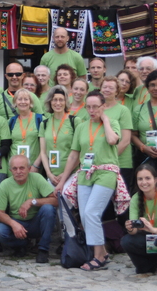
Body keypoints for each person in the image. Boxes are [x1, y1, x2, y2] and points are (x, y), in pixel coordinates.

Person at [56, 91, 122, 271]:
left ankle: (98, 256)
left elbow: (112, 139)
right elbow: (74, 155)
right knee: (85, 215)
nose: (92, 110)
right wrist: (63, 180)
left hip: (106, 172)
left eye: (96, 107)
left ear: (103, 106)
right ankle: (102, 253)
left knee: (92, 211)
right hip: (85, 173)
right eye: (89, 107)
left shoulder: (112, 123)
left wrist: (106, 121)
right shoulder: (82, 127)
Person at [0, 155, 57, 262]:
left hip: (35, 222)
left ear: (29, 169)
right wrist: (13, 224)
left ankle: (43, 249)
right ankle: (22, 244)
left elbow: (55, 201)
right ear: (10, 170)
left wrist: (33, 201)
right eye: (15, 168)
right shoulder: (5, 184)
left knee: (48, 209)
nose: (18, 171)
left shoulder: (37, 178)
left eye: (22, 168)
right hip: (17, 222)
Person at [39, 86, 78, 234]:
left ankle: (70, 237)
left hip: (70, 173)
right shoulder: (45, 123)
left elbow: (78, 151)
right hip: (52, 174)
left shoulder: (75, 121)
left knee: (64, 203)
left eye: (61, 100)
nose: (58, 103)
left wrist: (65, 174)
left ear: (66, 102)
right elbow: (43, 152)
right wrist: (48, 174)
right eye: (55, 99)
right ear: (50, 101)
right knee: (54, 204)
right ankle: (64, 238)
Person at [99, 76, 134, 187]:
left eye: (111, 88)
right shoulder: (95, 110)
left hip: (121, 163)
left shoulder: (123, 110)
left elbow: (125, 140)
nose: (107, 90)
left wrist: (107, 159)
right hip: (99, 164)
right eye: (104, 87)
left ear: (117, 91)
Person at [8, 89, 44, 174]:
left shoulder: (40, 119)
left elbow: (45, 147)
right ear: (15, 102)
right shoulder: (11, 122)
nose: (23, 102)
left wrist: (36, 165)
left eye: (26, 99)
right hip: (15, 169)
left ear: (31, 102)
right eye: (20, 99)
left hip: (33, 167)